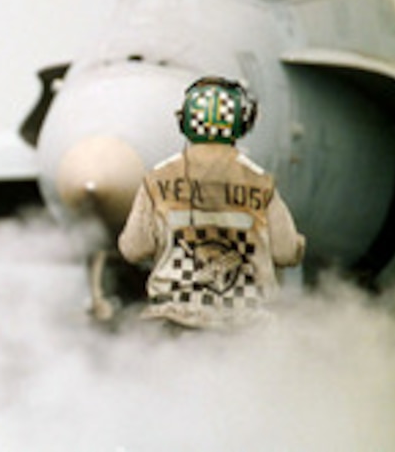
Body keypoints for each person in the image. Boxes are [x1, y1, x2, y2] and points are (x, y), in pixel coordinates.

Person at [118, 76, 306, 330]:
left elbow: (133, 249)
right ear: (241, 124)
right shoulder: (260, 182)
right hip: (244, 327)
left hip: (174, 323)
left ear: (184, 122)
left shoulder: (157, 180)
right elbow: (286, 252)